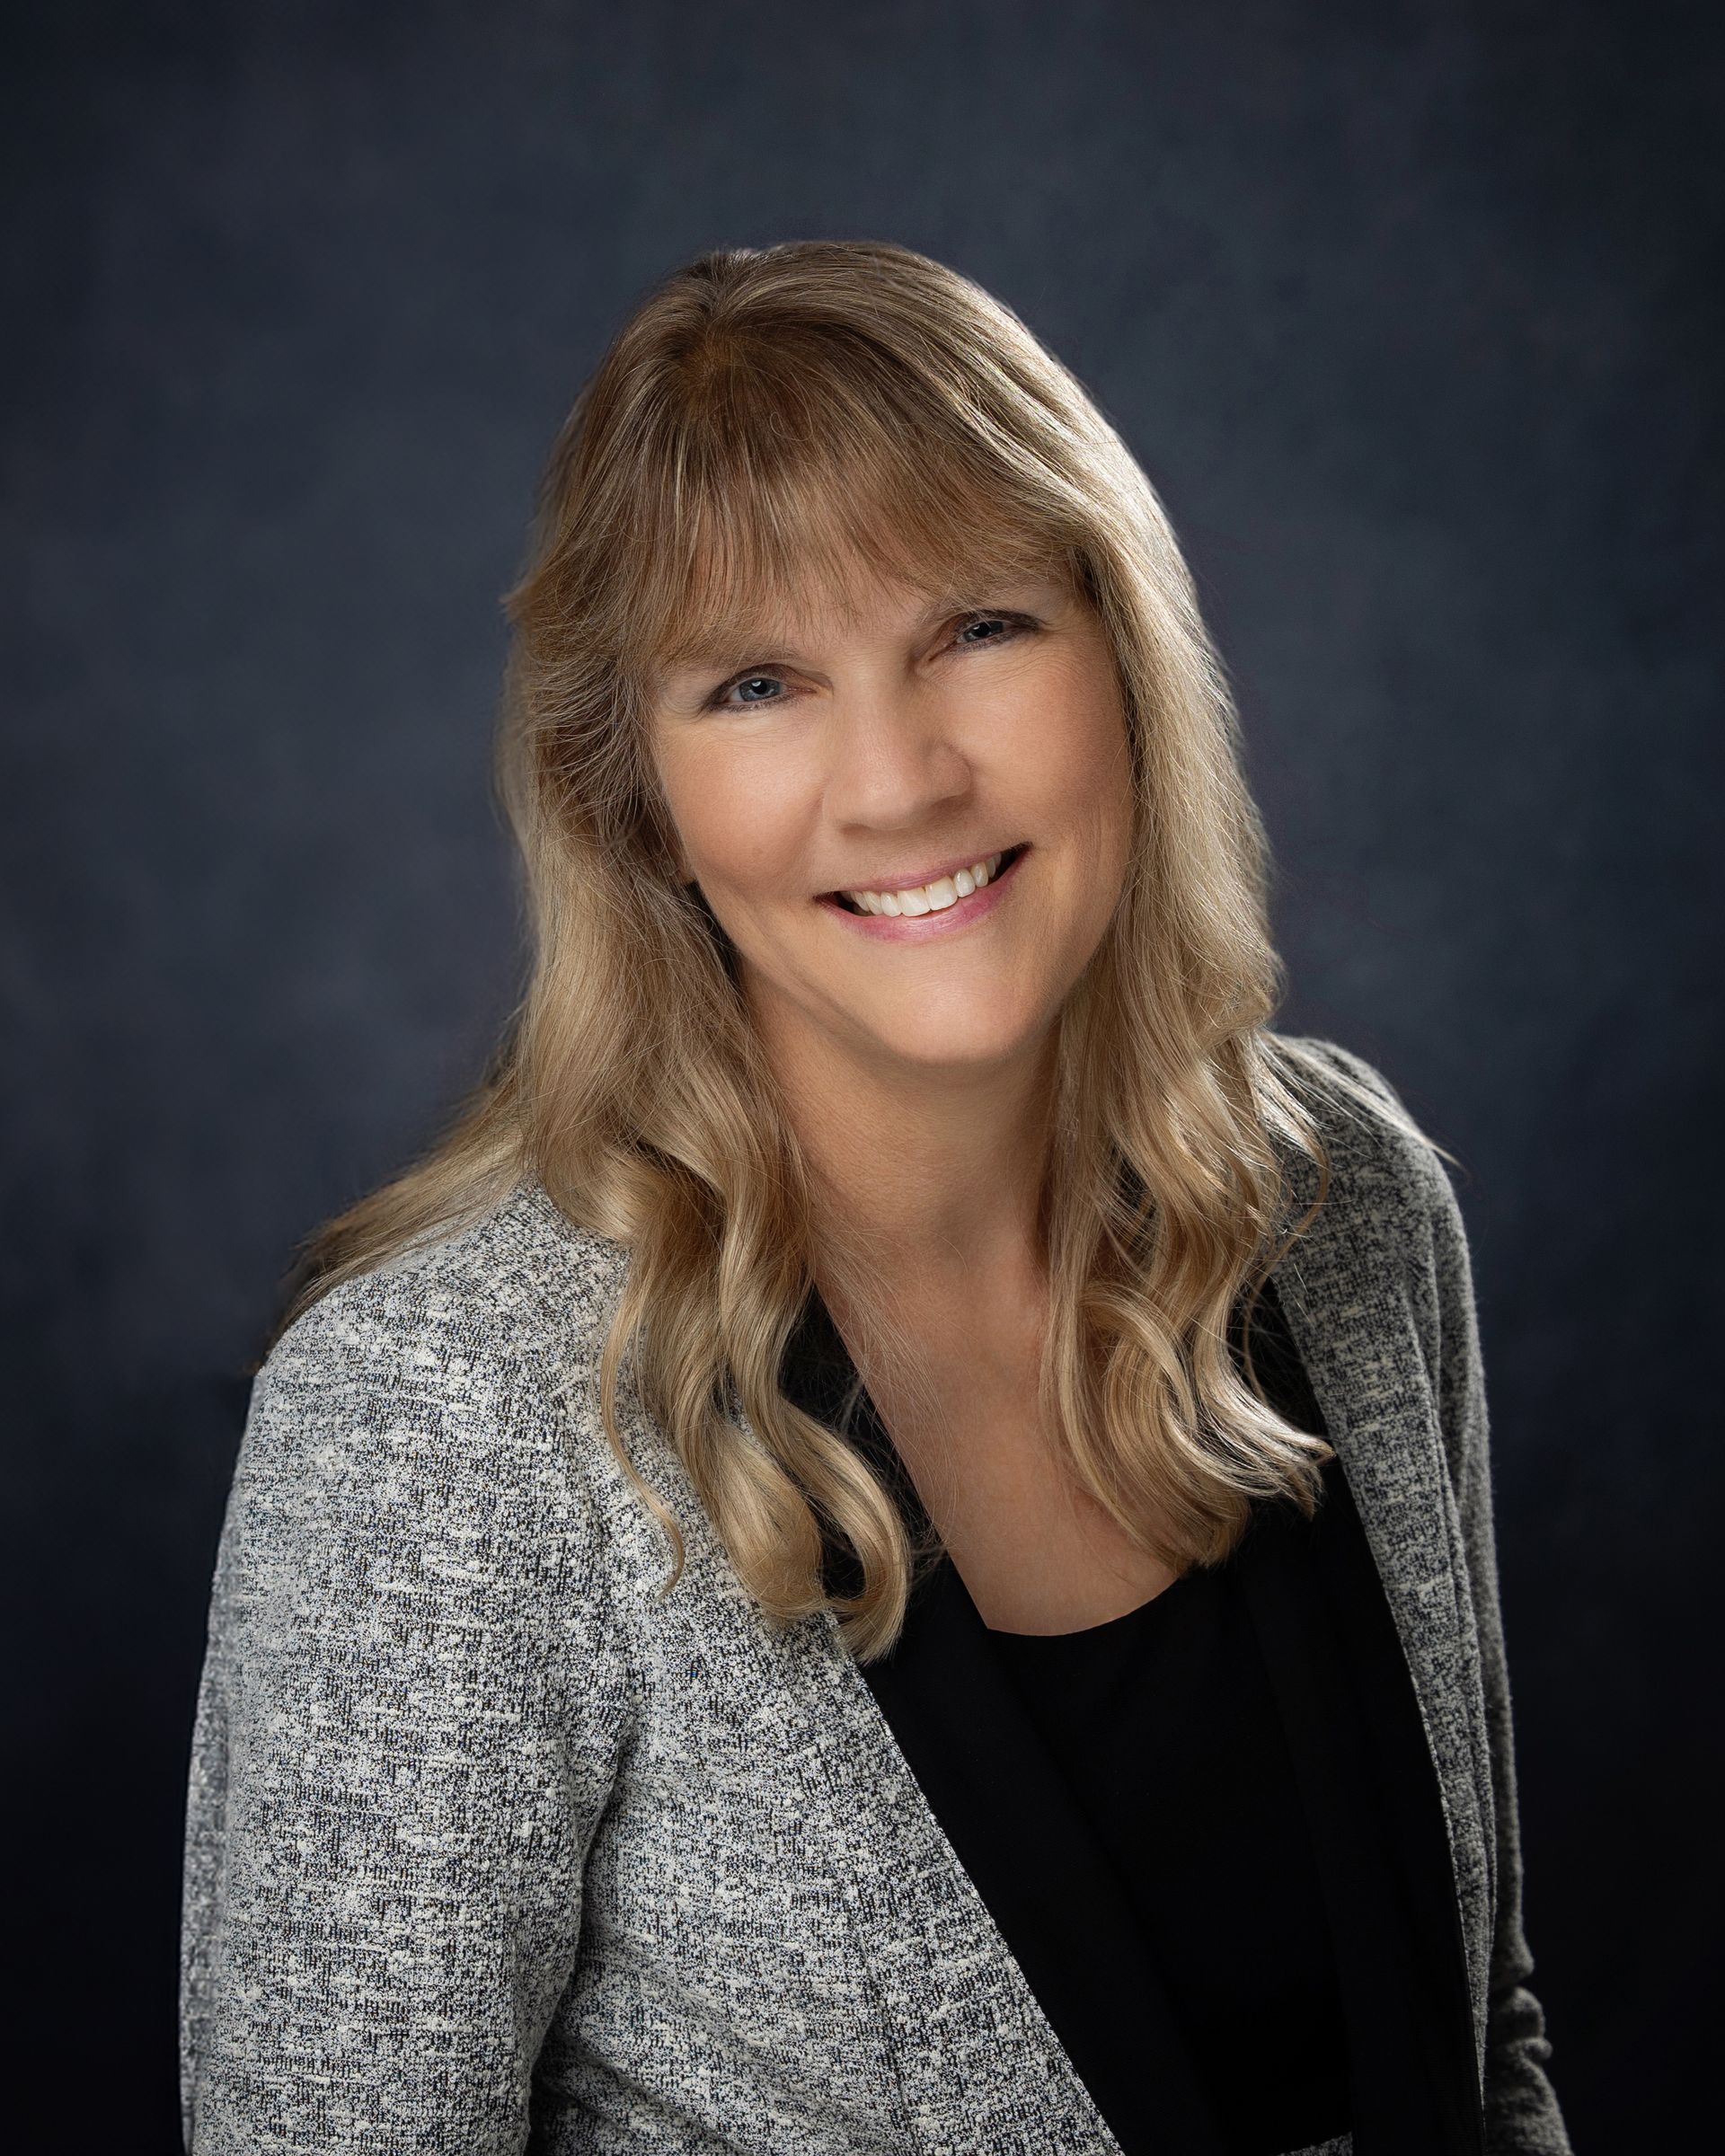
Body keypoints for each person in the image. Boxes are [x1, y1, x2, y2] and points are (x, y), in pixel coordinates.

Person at [178, 239, 1572, 2156]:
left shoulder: (1348, 1207)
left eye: (978, 627)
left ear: (1127, 652)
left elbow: (1483, 2041)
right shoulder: (443, 1413)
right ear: (631, 798)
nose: (899, 779)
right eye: (757, 683)